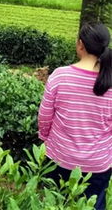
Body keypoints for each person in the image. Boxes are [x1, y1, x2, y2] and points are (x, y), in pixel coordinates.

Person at [38, 23, 111, 210]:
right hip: (98, 164)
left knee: (55, 203)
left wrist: (46, 140)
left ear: (80, 44)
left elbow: (45, 117)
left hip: (60, 158)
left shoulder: (60, 76)